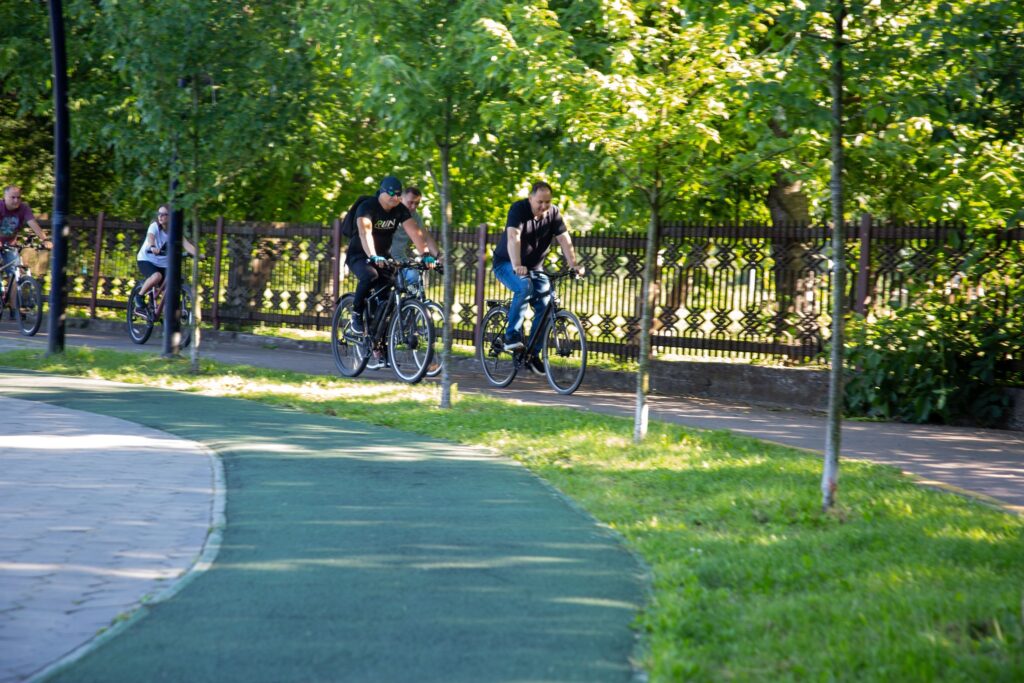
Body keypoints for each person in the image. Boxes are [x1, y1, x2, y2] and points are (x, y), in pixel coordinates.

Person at [492, 181, 584, 375]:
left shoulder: (554, 214)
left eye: (547, 202)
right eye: (539, 202)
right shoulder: (519, 209)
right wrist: (517, 264)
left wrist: (574, 264)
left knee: (546, 303)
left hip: (534, 268)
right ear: (530, 198)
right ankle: (511, 337)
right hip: (506, 264)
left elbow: (564, 240)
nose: (543, 206)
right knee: (524, 287)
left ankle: (532, 354)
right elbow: (513, 238)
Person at [346, 176, 438, 339]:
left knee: (388, 297)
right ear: (382, 192)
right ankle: (356, 314)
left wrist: (425, 255)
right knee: (370, 276)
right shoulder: (367, 207)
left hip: (383, 257)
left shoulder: (400, 211)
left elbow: (414, 232)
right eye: (392, 194)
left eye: (398, 194)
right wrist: (373, 256)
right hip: (360, 255)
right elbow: (364, 232)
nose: (395, 198)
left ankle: (378, 341)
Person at [133, 205, 197, 309]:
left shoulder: (175, 231)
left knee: (171, 286)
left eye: (164, 214)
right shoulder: (154, 226)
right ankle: (139, 296)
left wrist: (198, 255)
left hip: (164, 263)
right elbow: (150, 237)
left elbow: (187, 245)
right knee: (157, 276)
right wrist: (152, 247)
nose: (160, 216)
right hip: (147, 259)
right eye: (159, 214)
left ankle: (163, 313)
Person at [389, 186, 441, 294]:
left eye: (417, 203)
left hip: (400, 260)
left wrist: (439, 256)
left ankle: (410, 308)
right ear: (401, 199)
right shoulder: (389, 213)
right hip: (384, 259)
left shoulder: (415, 217)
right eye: (410, 202)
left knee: (414, 277)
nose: (413, 207)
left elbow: (425, 237)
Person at [1, 185, 52, 283]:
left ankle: (14, 298)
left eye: (18, 197)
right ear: (5, 197)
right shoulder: (0, 206)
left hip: (10, 246)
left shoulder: (23, 208)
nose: (16, 200)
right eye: (13, 197)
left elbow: (32, 223)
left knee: (15, 277)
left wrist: (44, 240)